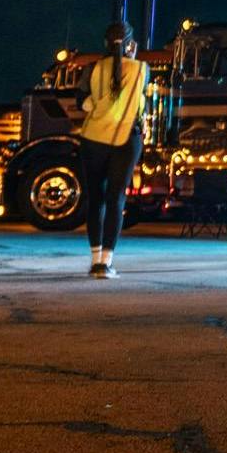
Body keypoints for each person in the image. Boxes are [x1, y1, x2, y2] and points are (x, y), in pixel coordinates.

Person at [71, 22, 149, 279]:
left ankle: (94, 261)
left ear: (105, 44)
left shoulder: (91, 69)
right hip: (126, 139)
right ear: (130, 44)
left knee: (96, 200)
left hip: (93, 138)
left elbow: (82, 103)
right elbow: (139, 101)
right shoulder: (141, 70)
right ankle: (107, 262)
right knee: (116, 200)